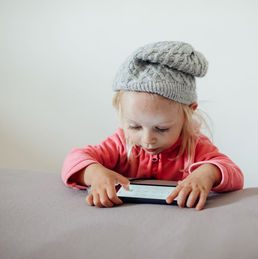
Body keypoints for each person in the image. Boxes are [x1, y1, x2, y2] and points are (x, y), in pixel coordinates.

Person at [61, 41, 244, 210]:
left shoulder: (194, 146)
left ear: (189, 113)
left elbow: (235, 174)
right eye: (134, 126)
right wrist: (95, 174)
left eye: (162, 128)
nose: (148, 139)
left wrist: (207, 174)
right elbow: (74, 159)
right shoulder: (121, 143)